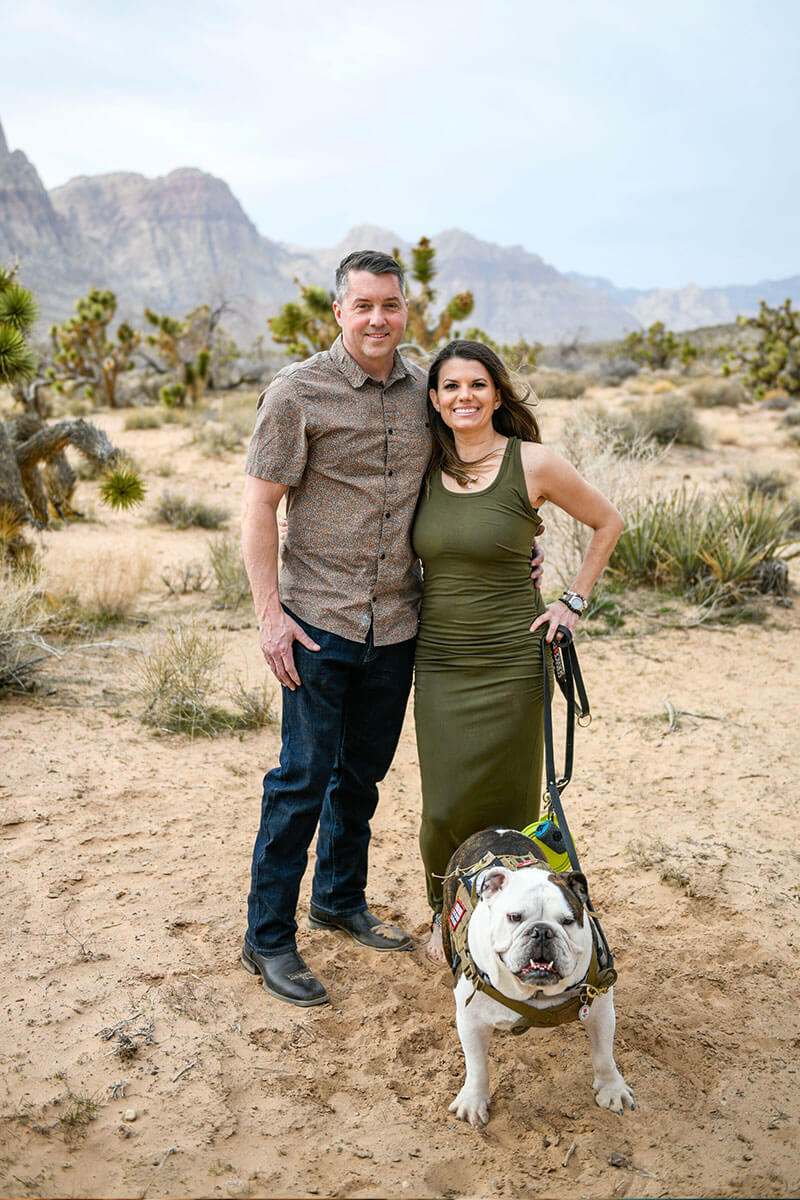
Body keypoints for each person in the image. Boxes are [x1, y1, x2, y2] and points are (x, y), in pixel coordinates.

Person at [240, 250, 432, 1008]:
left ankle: (340, 899)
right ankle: (268, 939)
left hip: (398, 622)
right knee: (300, 780)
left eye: (390, 304)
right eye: (364, 306)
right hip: (318, 622)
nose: (378, 318)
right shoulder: (298, 392)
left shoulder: (428, 388)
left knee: (363, 777)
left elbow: (473, 469)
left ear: (405, 309)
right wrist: (269, 618)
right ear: (339, 314)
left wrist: (527, 537)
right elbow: (259, 508)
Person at [411, 340, 624, 964]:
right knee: (443, 809)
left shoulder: (533, 464)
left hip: (512, 656)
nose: (464, 397)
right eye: (450, 387)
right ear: (434, 399)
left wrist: (573, 602)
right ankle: (446, 917)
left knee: (508, 806)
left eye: (477, 385)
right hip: (442, 659)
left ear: (497, 395)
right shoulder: (423, 466)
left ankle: (506, 927)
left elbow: (607, 522)